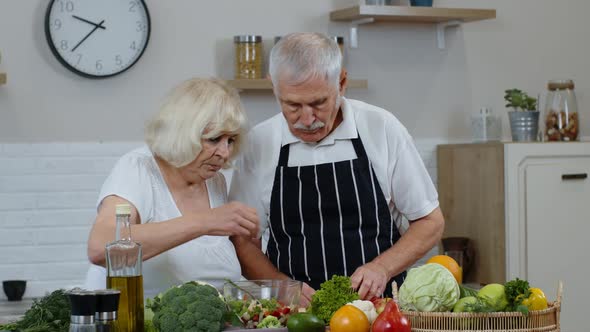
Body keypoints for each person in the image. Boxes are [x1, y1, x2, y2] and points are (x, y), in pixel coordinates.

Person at [229, 32, 444, 305]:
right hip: (296, 315)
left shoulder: (381, 128)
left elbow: (430, 222)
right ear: (274, 87)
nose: (307, 120)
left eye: (319, 103)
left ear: (341, 83)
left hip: (381, 311)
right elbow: (243, 241)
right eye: (292, 105)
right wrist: (283, 287)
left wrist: (382, 267)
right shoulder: (259, 143)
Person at [84, 78, 259, 296]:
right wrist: (206, 221)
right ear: (183, 132)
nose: (224, 153)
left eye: (230, 140)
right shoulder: (139, 168)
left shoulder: (214, 181)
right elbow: (100, 247)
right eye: (214, 139)